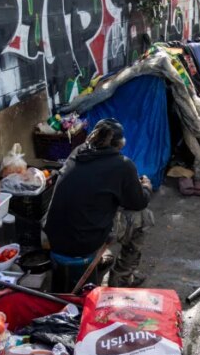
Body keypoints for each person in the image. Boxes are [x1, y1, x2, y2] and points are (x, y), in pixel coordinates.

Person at [44, 118, 153, 287]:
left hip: (54, 235)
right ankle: (121, 278)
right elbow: (138, 203)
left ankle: (99, 257)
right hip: (82, 242)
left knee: (93, 208)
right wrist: (146, 187)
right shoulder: (123, 165)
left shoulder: (77, 152)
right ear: (120, 144)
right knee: (143, 217)